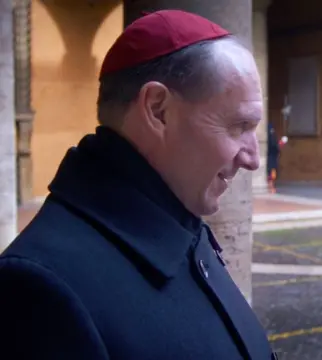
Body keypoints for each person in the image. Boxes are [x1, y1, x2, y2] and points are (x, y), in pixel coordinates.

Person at [0, 10, 278, 359]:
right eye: (238, 126)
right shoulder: (38, 290)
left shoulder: (180, 221)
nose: (253, 158)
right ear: (158, 110)